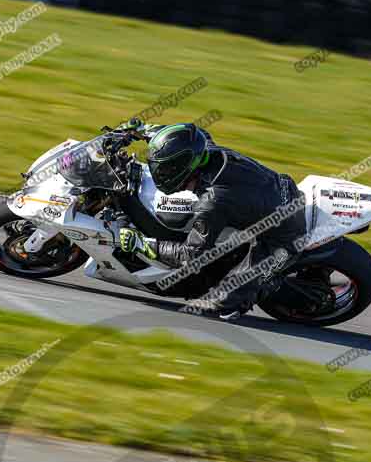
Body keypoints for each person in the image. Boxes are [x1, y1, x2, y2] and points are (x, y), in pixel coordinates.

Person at [117, 121, 307, 321]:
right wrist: (144, 130)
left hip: (286, 234)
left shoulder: (212, 202)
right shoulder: (204, 148)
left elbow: (191, 255)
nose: (159, 171)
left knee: (223, 302)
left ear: (180, 168)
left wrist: (142, 244)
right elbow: (190, 135)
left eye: (164, 168)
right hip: (279, 190)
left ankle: (266, 284)